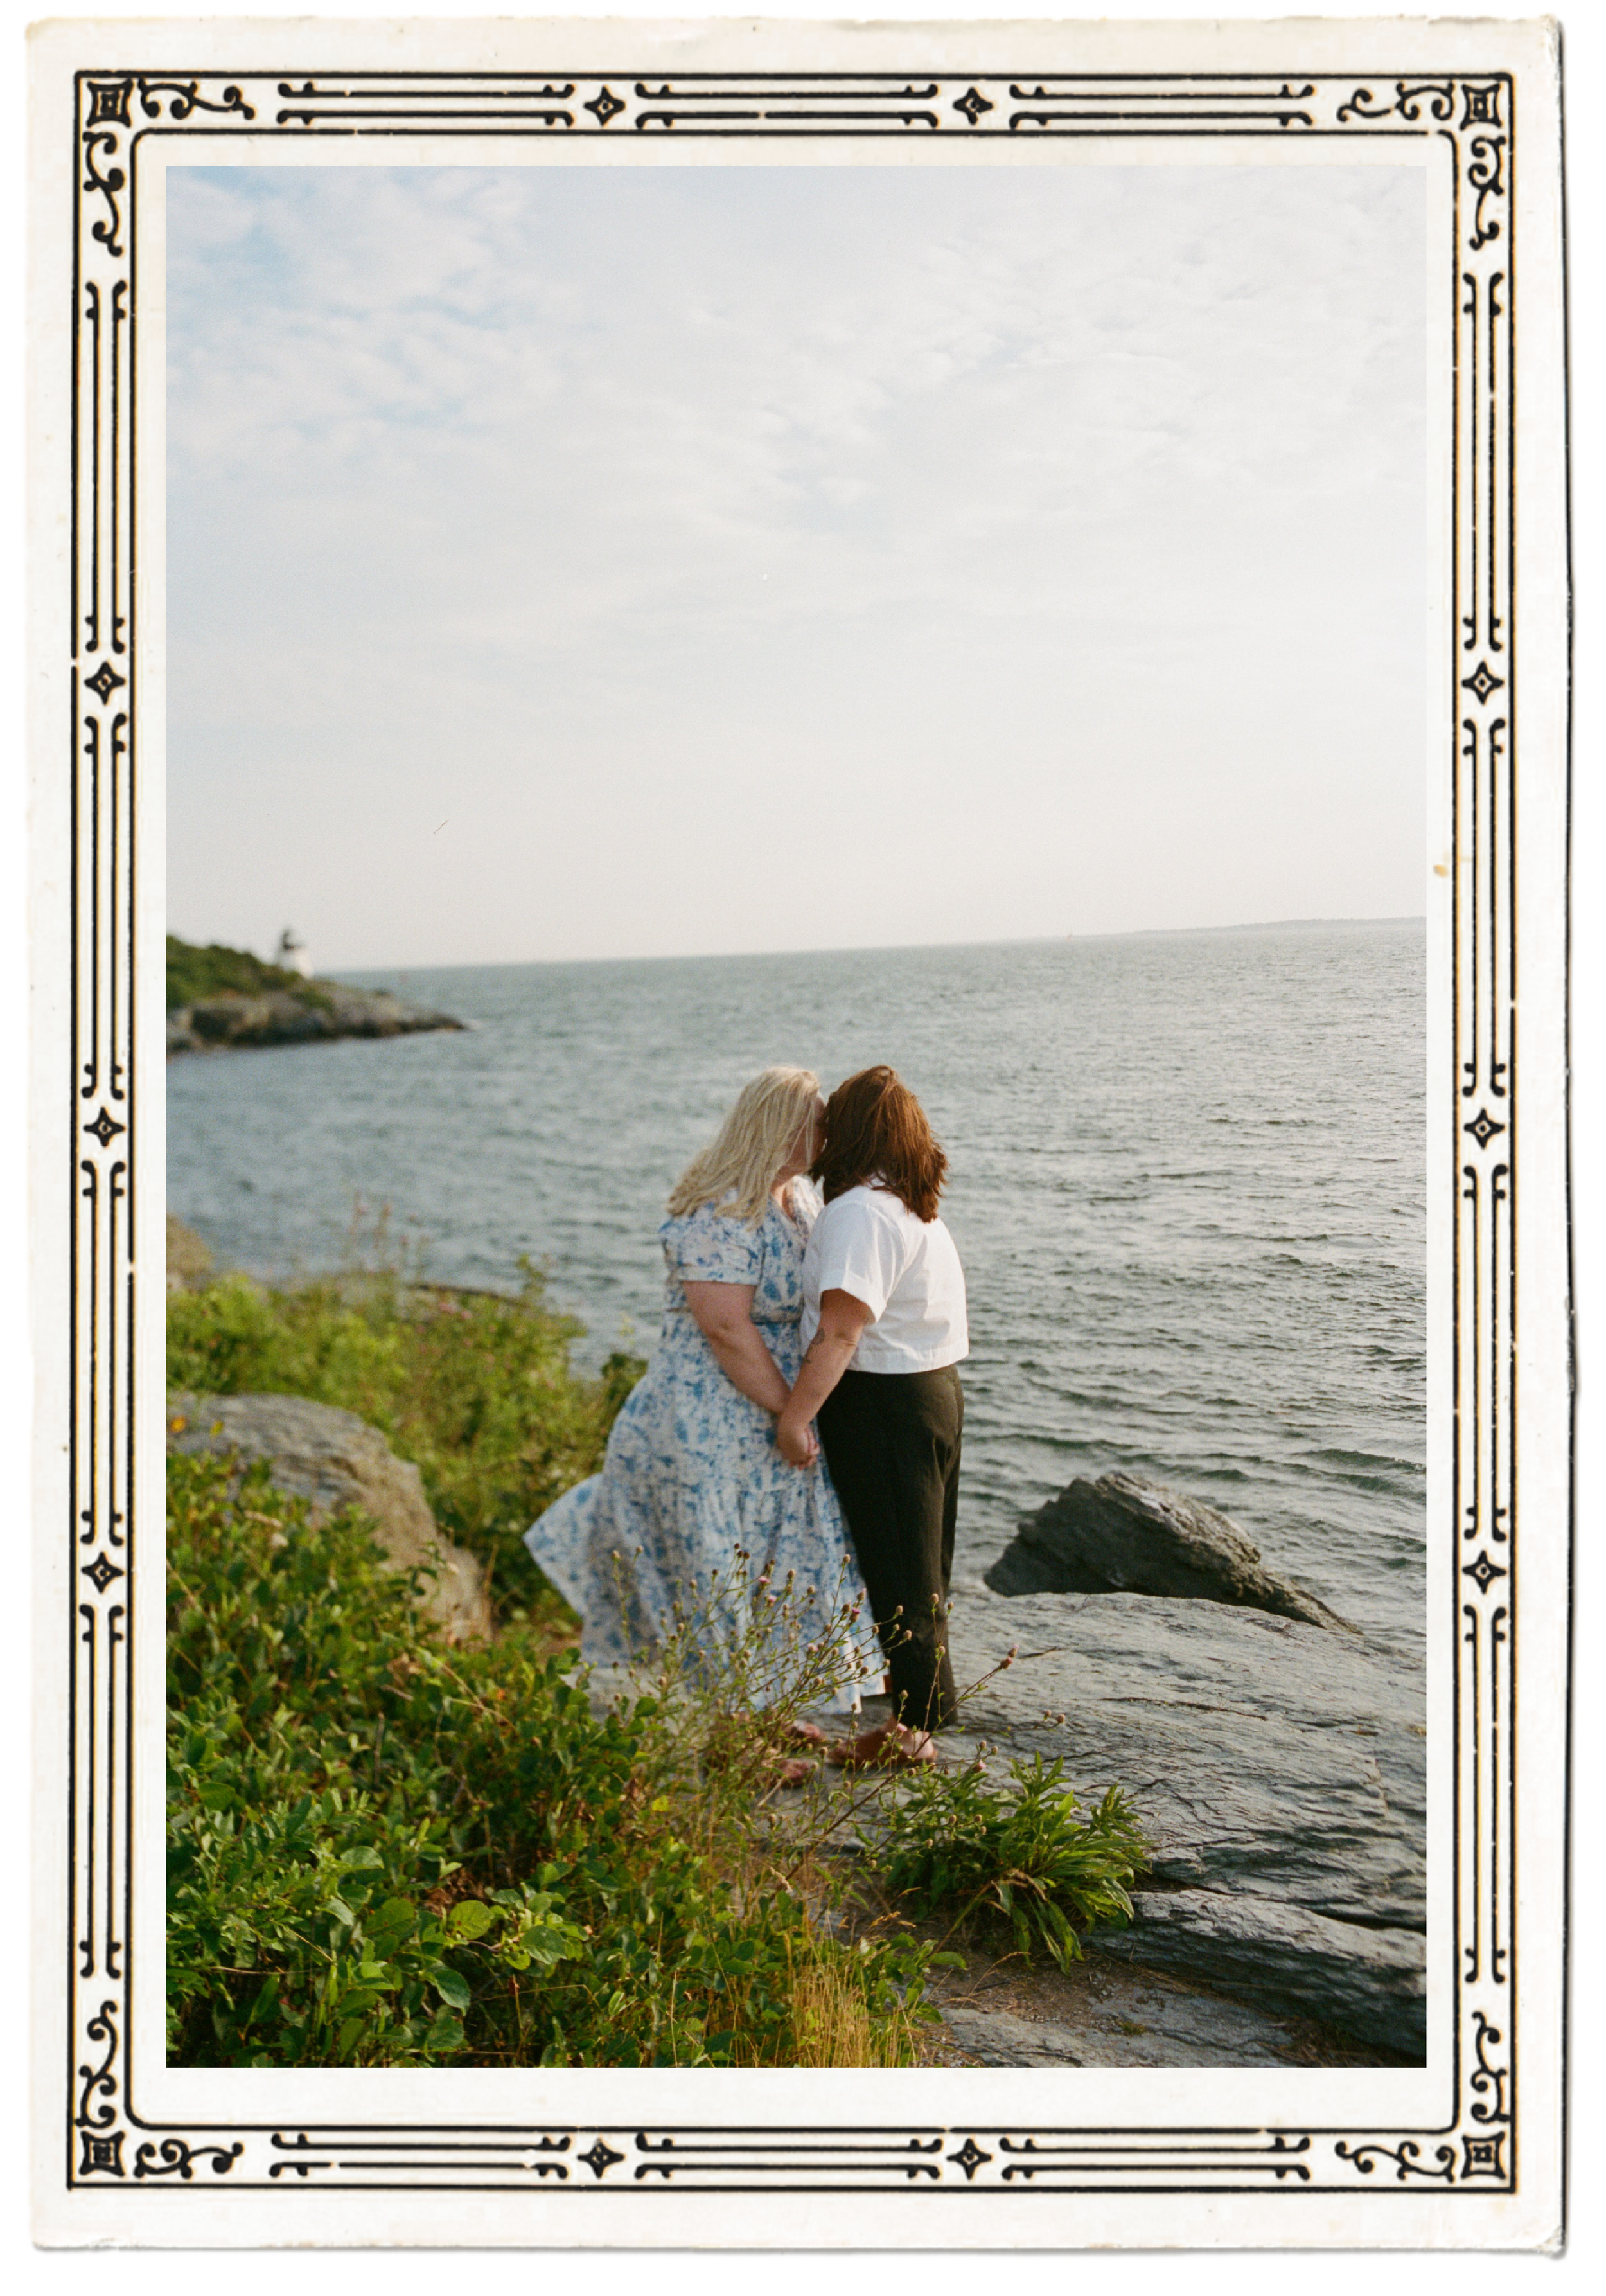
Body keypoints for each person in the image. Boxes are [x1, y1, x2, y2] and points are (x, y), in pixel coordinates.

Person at [524, 1067, 882, 1770]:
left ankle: (765, 1714)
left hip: (764, 1420)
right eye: (814, 1121)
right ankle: (732, 1743)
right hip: (704, 1421)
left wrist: (798, 1410)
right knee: (712, 1576)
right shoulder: (719, 1209)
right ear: (776, 1127)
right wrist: (791, 1409)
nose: (826, 1134)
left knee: (768, 1572)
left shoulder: (797, 1201)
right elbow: (725, 1329)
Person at [777, 1066, 968, 1772]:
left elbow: (839, 1333)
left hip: (884, 1401)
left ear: (853, 1132)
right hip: (932, 1390)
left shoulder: (861, 1211)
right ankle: (914, 1708)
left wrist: (795, 1418)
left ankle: (913, 1729)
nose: (820, 1134)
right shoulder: (911, 1204)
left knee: (899, 1570)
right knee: (922, 1561)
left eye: (830, 1121)